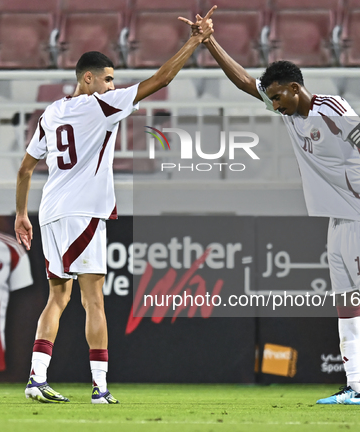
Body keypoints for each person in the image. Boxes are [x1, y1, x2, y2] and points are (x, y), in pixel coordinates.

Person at [180, 13, 360, 405]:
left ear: (295, 88)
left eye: (278, 96)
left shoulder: (332, 109)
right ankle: (353, 386)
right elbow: (247, 83)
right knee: (346, 303)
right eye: (272, 98)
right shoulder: (288, 110)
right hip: (338, 218)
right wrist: (208, 42)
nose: (274, 104)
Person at [14, 7, 216, 404]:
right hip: (85, 212)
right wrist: (196, 40)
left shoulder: (51, 113)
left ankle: (36, 378)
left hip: (51, 211)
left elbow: (25, 170)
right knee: (94, 300)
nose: (111, 86)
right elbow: (162, 79)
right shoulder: (99, 104)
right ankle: (100, 387)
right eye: (107, 79)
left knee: (57, 297)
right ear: (87, 79)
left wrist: (22, 214)